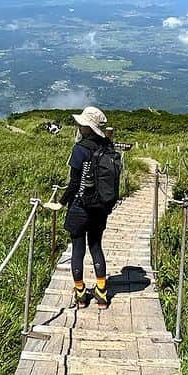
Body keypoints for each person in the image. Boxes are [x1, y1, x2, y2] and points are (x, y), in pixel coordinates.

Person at [60, 105, 121, 309]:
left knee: (78, 248)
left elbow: (74, 183)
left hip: (79, 206)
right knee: (96, 246)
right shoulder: (108, 147)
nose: (78, 125)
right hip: (100, 207)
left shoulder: (80, 148)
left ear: (87, 127)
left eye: (81, 123)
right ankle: (102, 294)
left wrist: (60, 202)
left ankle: (80, 294)